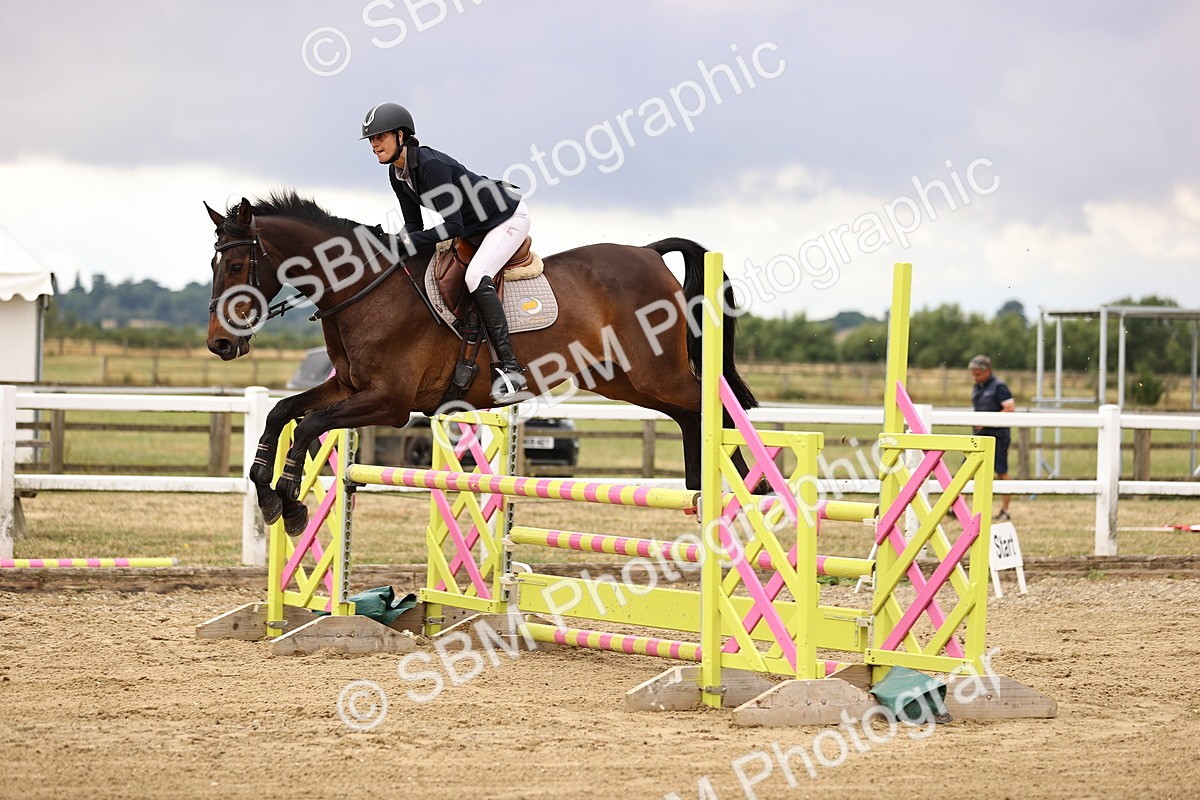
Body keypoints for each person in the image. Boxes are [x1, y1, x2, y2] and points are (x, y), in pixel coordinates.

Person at [361, 102, 530, 404]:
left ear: (401, 135)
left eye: (380, 137)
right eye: (371, 140)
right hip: (474, 227)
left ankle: (511, 368)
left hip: (506, 217)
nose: (375, 145)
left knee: (477, 275)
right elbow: (414, 225)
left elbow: (452, 226)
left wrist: (408, 242)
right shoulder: (397, 174)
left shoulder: (429, 165)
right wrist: (392, 242)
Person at [969, 354, 1015, 520]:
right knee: (969, 469)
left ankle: (1005, 509)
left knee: (1001, 472)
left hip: (998, 436)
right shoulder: (978, 387)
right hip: (979, 436)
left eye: (978, 373)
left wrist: (987, 422)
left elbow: (1010, 408)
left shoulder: (999, 387)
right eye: (973, 373)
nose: (975, 376)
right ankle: (959, 508)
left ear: (987, 371)